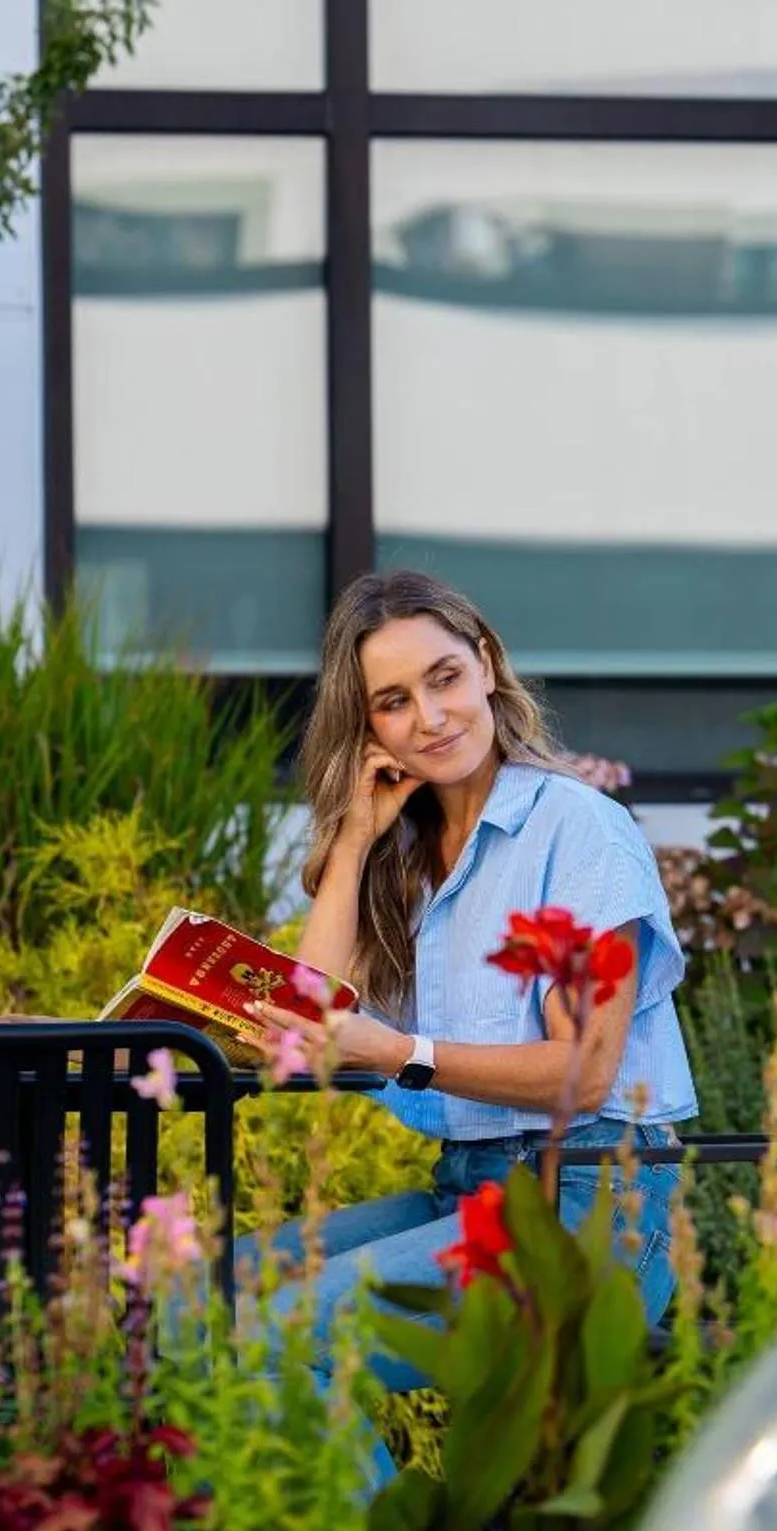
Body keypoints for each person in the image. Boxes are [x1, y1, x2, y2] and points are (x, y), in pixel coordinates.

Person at [244, 570, 698, 1368]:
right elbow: (309, 1020)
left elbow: (584, 1076)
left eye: (445, 678)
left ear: (486, 665)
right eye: (392, 701)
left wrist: (398, 1054)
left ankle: (376, 1503)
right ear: (368, 727)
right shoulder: (406, 853)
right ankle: (317, 1498)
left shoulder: (578, 830)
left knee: (278, 1332)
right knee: (193, 1301)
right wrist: (351, 844)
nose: (429, 718)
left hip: (590, 1202)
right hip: (470, 1188)